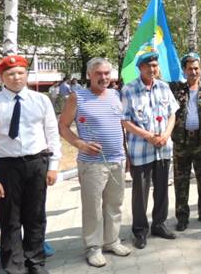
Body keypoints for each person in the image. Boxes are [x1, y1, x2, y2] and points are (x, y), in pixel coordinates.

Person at [0, 55, 61, 274]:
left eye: (20, 72)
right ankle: (15, 265)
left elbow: (52, 133)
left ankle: (35, 261)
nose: (16, 77)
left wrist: (53, 165)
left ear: (26, 74)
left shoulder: (40, 100)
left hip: (36, 163)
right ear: (2, 77)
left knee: (36, 215)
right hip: (7, 167)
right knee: (10, 218)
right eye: (11, 74)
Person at [59, 58, 130, 267]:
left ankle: (111, 241)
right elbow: (62, 126)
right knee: (93, 208)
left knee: (114, 204)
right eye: (99, 73)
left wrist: (126, 155)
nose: (104, 77)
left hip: (117, 160)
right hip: (92, 163)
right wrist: (80, 144)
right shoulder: (77, 97)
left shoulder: (116, 95)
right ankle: (93, 247)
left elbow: (121, 128)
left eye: (107, 73)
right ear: (89, 75)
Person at [121, 51, 179, 249]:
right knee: (141, 193)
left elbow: (172, 114)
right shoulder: (129, 89)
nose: (152, 69)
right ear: (140, 68)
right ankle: (139, 230)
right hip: (141, 150)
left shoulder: (164, 87)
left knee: (162, 190)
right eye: (148, 66)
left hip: (162, 148)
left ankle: (159, 224)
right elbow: (125, 120)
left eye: (155, 65)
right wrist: (148, 136)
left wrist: (165, 135)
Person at [169, 53, 201, 232]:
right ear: (184, 70)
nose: (193, 71)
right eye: (190, 68)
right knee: (181, 181)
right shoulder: (175, 89)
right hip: (181, 143)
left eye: (196, 68)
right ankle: (182, 217)